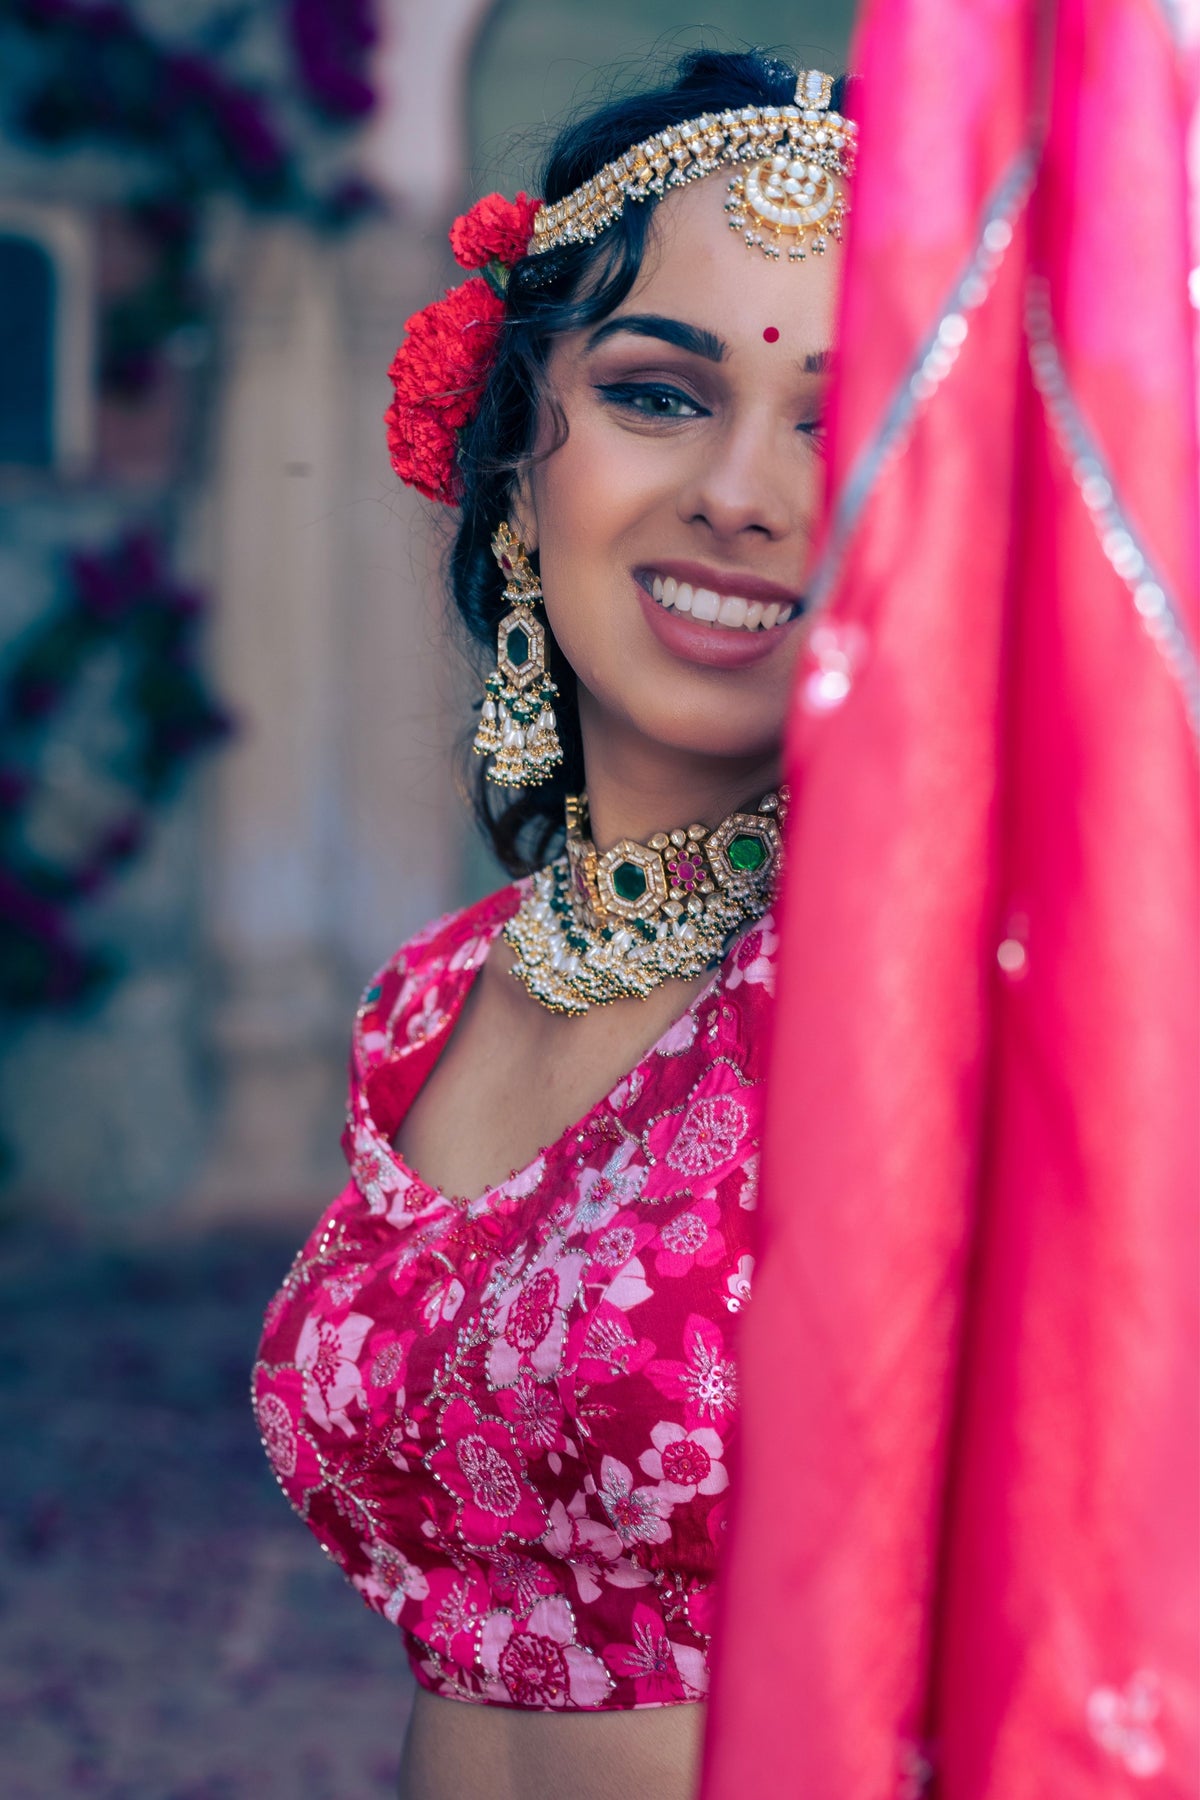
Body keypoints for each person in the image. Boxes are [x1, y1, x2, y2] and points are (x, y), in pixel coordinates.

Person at [253, 48, 854, 1800]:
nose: (744, 489)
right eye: (662, 393)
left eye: (839, 414)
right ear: (518, 463)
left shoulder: (936, 997)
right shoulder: (425, 1008)